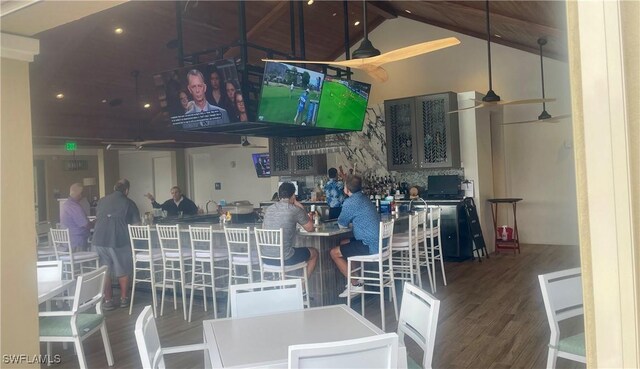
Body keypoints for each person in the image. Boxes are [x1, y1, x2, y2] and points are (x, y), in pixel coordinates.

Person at [92, 179, 141, 310]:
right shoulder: (129, 203)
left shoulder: (102, 201)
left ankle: (108, 300)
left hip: (98, 239)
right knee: (123, 269)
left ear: (114, 188)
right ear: (127, 190)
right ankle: (124, 299)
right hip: (118, 239)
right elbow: (136, 226)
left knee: (105, 271)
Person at [329, 175, 381, 298]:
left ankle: (355, 285)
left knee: (333, 253)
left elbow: (342, 224)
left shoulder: (350, 202)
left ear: (346, 189)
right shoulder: (365, 198)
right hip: (379, 242)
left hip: (369, 245)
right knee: (344, 242)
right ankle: (358, 279)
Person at [262, 182, 319, 278]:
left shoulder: (269, 209)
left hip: (266, 258)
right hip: (285, 258)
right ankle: (302, 286)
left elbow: (264, 228)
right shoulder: (295, 209)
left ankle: (287, 285)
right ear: (293, 195)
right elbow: (310, 228)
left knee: (289, 250)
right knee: (314, 253)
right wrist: (299, 206)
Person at [60, 183, 93, 251]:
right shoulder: (75, 207)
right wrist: (95, 222)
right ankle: (89, 260)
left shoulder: (65, 204)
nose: (82, 196)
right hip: (77, 242)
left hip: (67, 241)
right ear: (79, 194)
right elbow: (85, 224)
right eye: (82, 193)